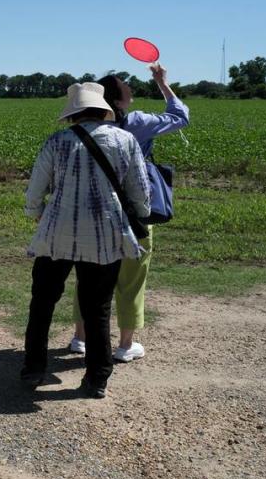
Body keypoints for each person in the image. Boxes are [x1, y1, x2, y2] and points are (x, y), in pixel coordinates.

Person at [22, 82, 150, 398]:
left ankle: (34, 367)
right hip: (105, 234)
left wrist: (35, 211)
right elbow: (141, 193)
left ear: (73, 113)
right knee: (98, 307)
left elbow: (35, 190)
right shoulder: (126, 140)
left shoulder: (57, 142)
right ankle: (97, 378)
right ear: (102, 109)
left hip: (56, 233)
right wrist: (140, 214)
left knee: (42, 302)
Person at [69, 64, 190, 362]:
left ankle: (80, 338)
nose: (131, 89)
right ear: (117, 99)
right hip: (135, 211)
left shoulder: (84, 126)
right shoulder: (136, 123)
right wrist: (163, 84)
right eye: (126, 87)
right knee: (132, 277)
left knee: (89, 275)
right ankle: (125, 344)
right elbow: (180, 117)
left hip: (94, 209)